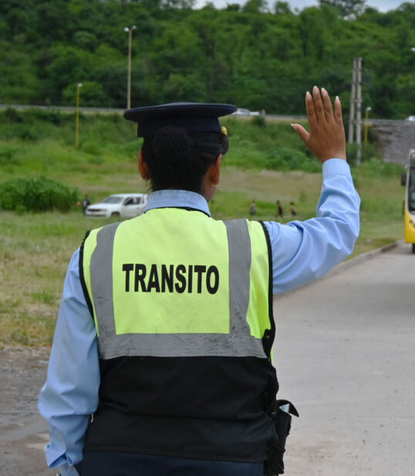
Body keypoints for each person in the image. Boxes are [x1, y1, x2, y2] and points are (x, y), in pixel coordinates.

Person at [38, 87, 360, 476]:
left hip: (118, 460)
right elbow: (338, 231)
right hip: (233, 461)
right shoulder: (255, 246)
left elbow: (69, 388)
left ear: (142, 164)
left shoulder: (95, 253)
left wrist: (70, 464)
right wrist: (334, 159)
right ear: (216, 169)